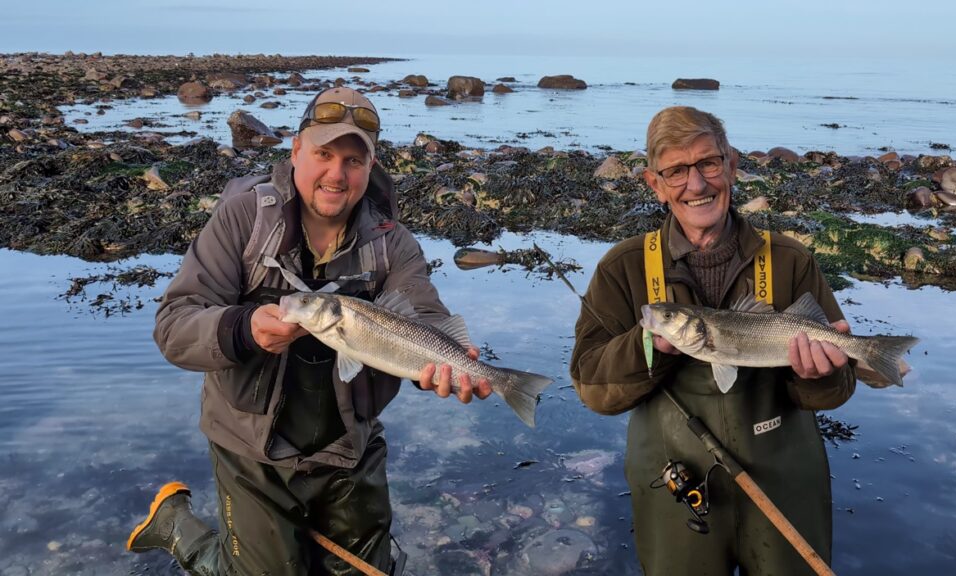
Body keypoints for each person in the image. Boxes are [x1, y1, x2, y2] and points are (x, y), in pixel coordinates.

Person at [127, 87, 492, 576]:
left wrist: (446, 362)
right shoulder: (243, 219)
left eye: (353, 161)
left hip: (349, 445)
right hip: (251, 448)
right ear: (296, 150)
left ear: (371, 165)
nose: (336, 175)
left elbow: (423, 315)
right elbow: (173, 326)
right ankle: (175, 524)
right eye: (323, 154)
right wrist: (240, 328)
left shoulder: (394, 245)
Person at [570, 106, 855, 576]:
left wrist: (821, 376)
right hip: (674, 488)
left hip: (786, 481)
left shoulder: (790, 260)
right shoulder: (622, 268)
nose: (696, 185)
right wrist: (650, 350)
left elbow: (836, 391)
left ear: (732, 165)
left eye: (707, 163)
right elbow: (591, 388)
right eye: (676, 171)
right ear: (654, 184)